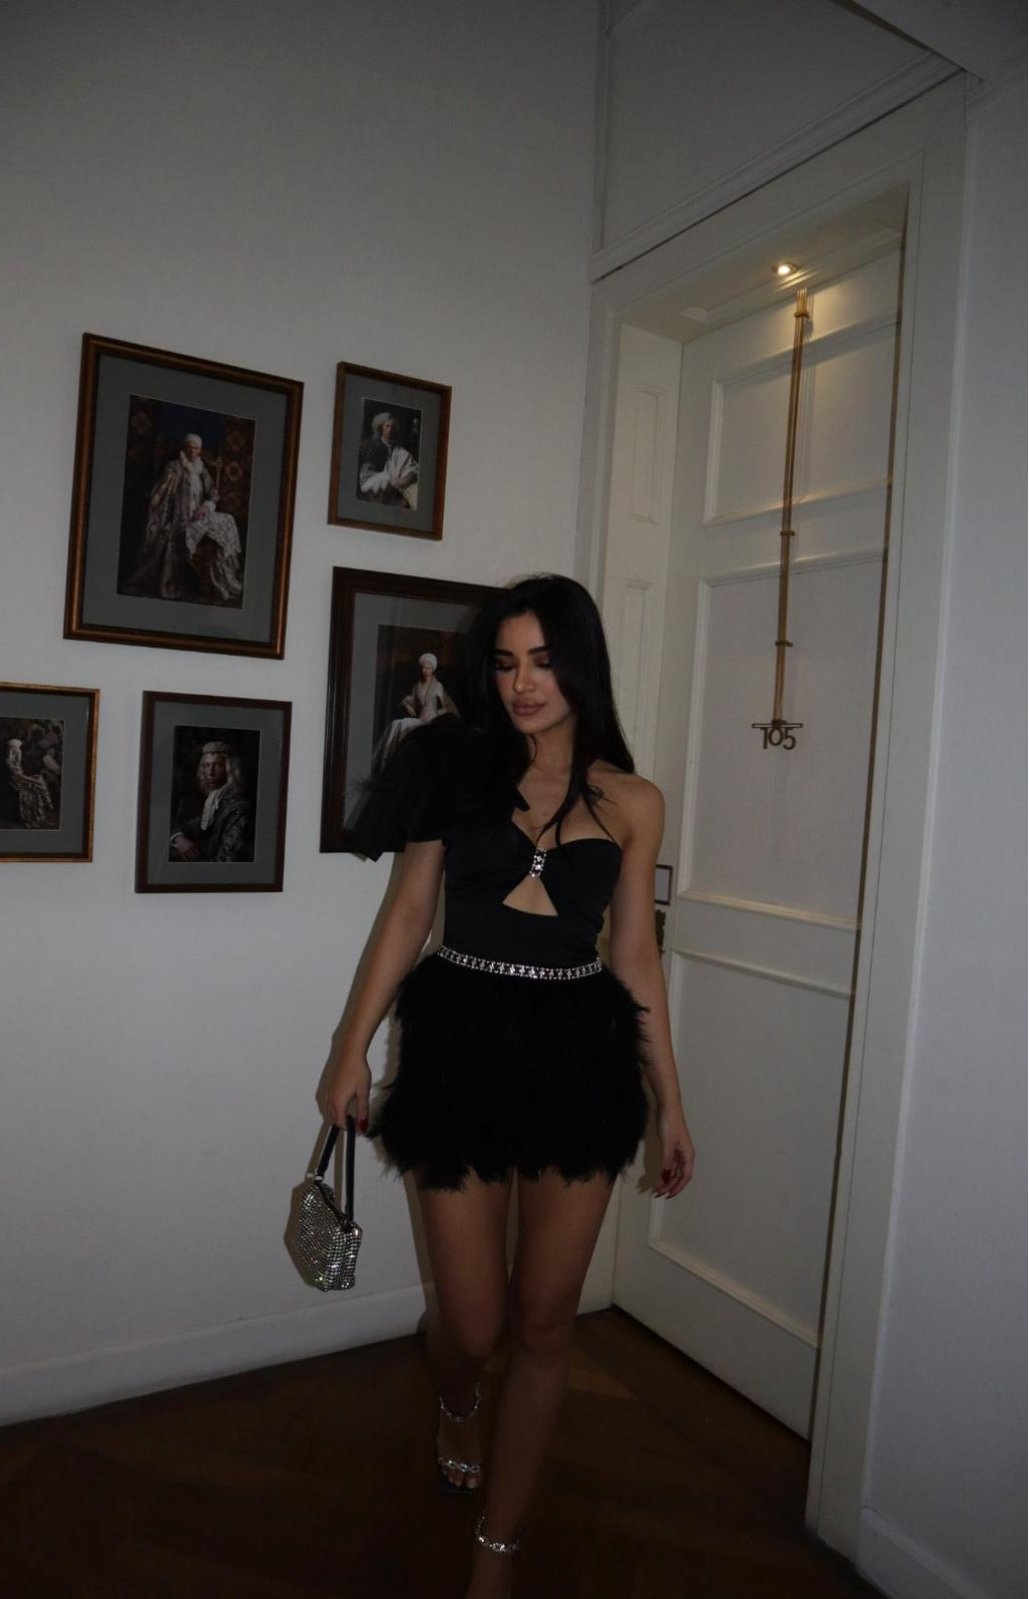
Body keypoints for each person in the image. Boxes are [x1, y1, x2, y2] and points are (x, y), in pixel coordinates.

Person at [321, 573, 695, 1597]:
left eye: (542, 661)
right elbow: (407, 915)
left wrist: (670, 1099)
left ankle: (498, 1547)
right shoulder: (451, 764)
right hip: (460, 1046)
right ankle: (455, 1396)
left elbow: (636, 957)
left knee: (544, 1319)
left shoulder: (634, 802)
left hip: (581, 1056)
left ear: (581, 667)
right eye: (505, 663)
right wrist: (350, 1049)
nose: (522, 683)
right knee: (475, 1325)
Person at [128, 433, 244, 603]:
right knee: (171, 536)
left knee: (227, 520)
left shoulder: (202, 470)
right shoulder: (174, 467)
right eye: (189, 447)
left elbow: (213, 494)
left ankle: (221, 577)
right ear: (184, 448)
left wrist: (206, 507)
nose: (192, 451)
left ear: (200, 451)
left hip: (198, 515)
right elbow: (162, 493)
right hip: (178, 517)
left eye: (196, 448)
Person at [169, 740, 254, 863]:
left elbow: (226, 859)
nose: (210, 772)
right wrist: (179, 839)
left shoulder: (238, 807)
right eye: (206, 765)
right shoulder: (214, 801)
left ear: (229, 768)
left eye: (217, 765)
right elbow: (185, 827)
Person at [373, 651, 460, 767]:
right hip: (419, 719)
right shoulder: (417, 686)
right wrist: (407, 705)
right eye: (424, 668)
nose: (426, 671)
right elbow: (410, 700)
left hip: (431, 721)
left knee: (405, 726)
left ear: (432, 669)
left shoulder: (438, 686)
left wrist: (436, 713)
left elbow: (450, 707)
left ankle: (394, 759)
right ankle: (386, 757)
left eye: (429, 668)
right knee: (396, 724)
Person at [358, 411, 419, 509]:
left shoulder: (401, 452)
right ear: (382, 428)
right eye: (387, 426)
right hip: (379, 492)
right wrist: (388, 479)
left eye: (393, 427)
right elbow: (365, 475)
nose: (390, 430)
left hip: (398, 490)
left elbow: (413, 469)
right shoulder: (373, 448)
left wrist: (403, 481)